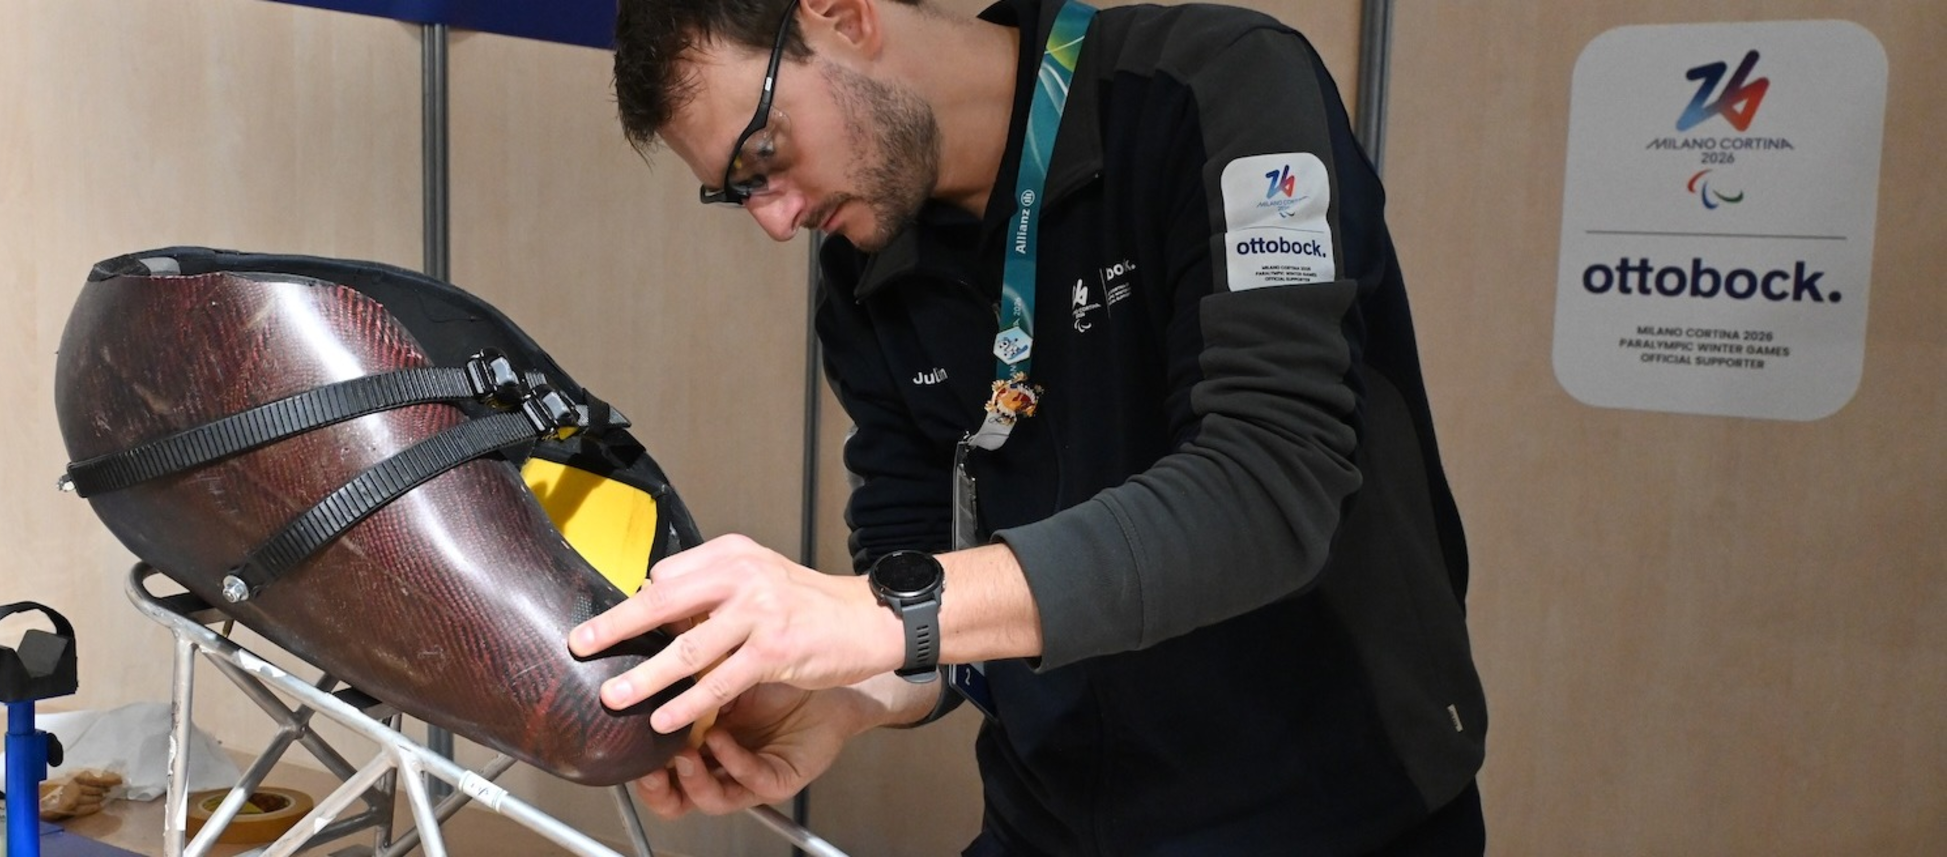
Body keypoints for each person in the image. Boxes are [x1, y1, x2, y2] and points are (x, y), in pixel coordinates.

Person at [569, 0, 1488, 852]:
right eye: (738, 193)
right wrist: (847, 694)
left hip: (1327, 817)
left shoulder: (1217, 87)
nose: (777, 220)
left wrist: (872, 614)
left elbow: (1268, 487)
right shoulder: (867, 271)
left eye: (764, 153)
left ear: (843, 15)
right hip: (1049, 824)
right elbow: (924, 574)